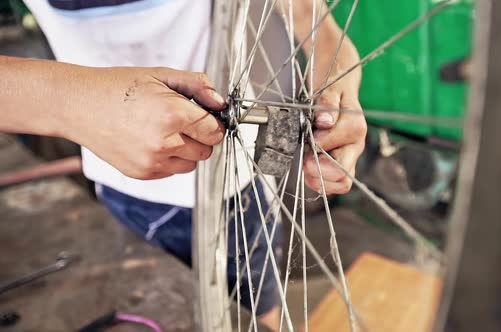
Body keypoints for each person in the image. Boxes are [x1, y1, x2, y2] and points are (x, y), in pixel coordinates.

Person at [0, 0, 366, 329]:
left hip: (235, 188)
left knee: (255, 318)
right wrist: (72, 102)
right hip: (120, 185)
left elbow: (309, 15)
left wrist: (337, 81)